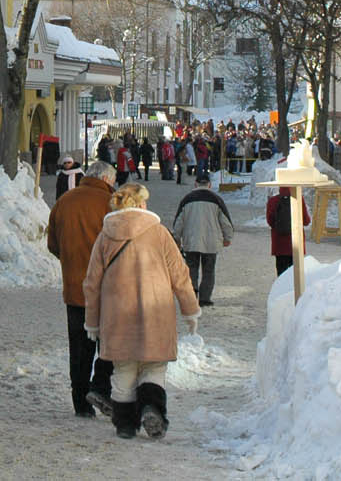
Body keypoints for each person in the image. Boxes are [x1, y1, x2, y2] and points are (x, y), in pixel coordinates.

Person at [82, 182, 200, 440]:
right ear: (142, 203)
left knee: (123, 370)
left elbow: (91, 283)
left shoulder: (105, 236)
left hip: (117, 318)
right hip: (156, 314)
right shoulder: (159, 233)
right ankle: (152, 407)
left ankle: (124, 424)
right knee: (153, 367)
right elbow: (180, 276)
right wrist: (190, 310)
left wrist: (92, 323)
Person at [47, 159, 117, 417]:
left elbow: (53, 244)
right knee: (110, 345)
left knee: (79, 349)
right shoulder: (111, 204)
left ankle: (80, 403)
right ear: (108, 180)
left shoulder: (65, 201)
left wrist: (72, 262)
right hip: (107, 290)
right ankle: (100, 388)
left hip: (75, 289)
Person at [172, 171, 233, 306]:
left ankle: (192, 294)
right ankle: (205, 298)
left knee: (191, 268)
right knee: (209, 270)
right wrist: (227, 237)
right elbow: (225, 221)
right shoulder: (216, 199)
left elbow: (179, 222)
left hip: (191, 241)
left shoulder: (187, 199)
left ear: (196, 183)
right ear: (209, 185)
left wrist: (176, 238)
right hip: (211, 242)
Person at [267, 185, 310, 276]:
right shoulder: (299, 199)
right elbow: (306, 221)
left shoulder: (272, 201)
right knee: (296, 277)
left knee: (281, 275)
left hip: (279, 246)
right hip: (296, 245)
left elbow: (270, 221)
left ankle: (282, 290)